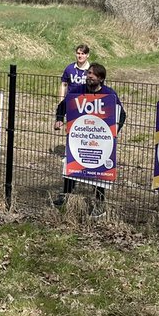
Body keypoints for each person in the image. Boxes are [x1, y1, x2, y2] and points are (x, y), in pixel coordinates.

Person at [53, 62, 126, 215]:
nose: (89, 76)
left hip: (100, 140)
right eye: (88, 73)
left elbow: (121, 114)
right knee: (72, 164)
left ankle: (99, 203)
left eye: (93, 74)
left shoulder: (109, 94)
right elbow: (62, 106)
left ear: (101, 79)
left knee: (100, 171)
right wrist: (59, 119)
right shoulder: (78, 91)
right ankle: (65, 197)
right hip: (80, 138)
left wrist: (114, 132)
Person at [53, 44, 91, 132]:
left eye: (83, 54)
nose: (80, 56)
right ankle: (60, 122)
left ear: (87, 55)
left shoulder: (91, 70)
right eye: (78, 53)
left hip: (86, 103)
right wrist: (61, 99)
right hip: (71, 101)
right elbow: (64, 84)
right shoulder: (69, 68)